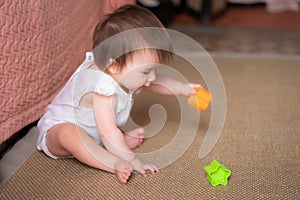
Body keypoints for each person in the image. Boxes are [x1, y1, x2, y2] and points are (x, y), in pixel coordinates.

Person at [37, 4, 202, 184]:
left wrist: (182, 88)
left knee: (110, 134)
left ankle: (113, 144)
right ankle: (112, 161)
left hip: (95, 131)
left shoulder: (123, 71)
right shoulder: (102, 87)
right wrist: (131, 160)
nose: (152, 77)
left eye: (154, 70)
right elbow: (107, 131)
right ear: (114, 65)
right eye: (146, 72)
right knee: (70, 133)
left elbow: (154, 82)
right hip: (57, 131)